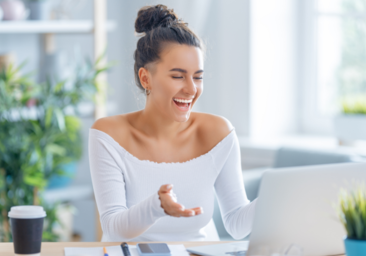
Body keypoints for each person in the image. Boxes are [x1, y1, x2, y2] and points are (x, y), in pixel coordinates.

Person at [89, 4, 258, 242]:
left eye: (198, 77)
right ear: (145, 78)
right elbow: (113, 227)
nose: (191, 89)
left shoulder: (218, 133)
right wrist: (156, 206)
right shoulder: (109, 135)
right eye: (178, 76)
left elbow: (237, 224)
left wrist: (278, 196)